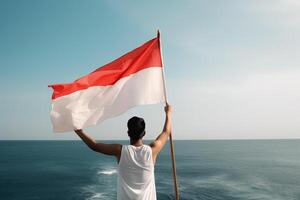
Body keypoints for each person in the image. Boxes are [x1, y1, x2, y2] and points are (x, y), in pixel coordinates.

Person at [74, 104, 172, 200]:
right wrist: (168, 113)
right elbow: (166, 132)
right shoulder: (152, 150)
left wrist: (79, 131)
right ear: (144, 133)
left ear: (128, 133)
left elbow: (94, 146)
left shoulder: (120, 151)